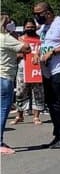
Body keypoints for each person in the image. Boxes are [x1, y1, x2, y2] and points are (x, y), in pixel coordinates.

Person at [32, 2, 60, 149]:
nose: (36, 17)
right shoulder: (45, 26)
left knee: (57, 102)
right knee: (50, 102)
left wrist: (53, 52)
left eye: (39, 14)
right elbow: (45, 44)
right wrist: (37, 53)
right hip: (48, 69)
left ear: (48, 12)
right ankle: (58, 134)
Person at [0, 14, 31, 154]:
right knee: (3, 110)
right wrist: (16, 36)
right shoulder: (6, 38)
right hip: (5, 76)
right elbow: (26, 48)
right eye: (9, 22)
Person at [12, 19, 45, 126]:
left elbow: (44, 52)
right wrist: (23, 55)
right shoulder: (20, 39)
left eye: (32, 27)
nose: (30, 29)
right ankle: (19, 115)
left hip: (37, 70)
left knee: (38, 93)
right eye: (28, 27)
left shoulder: (40, 39)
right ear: (24, 28)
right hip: (23, 69)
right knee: (20, 92)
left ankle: (36, 117)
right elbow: (15, 54)